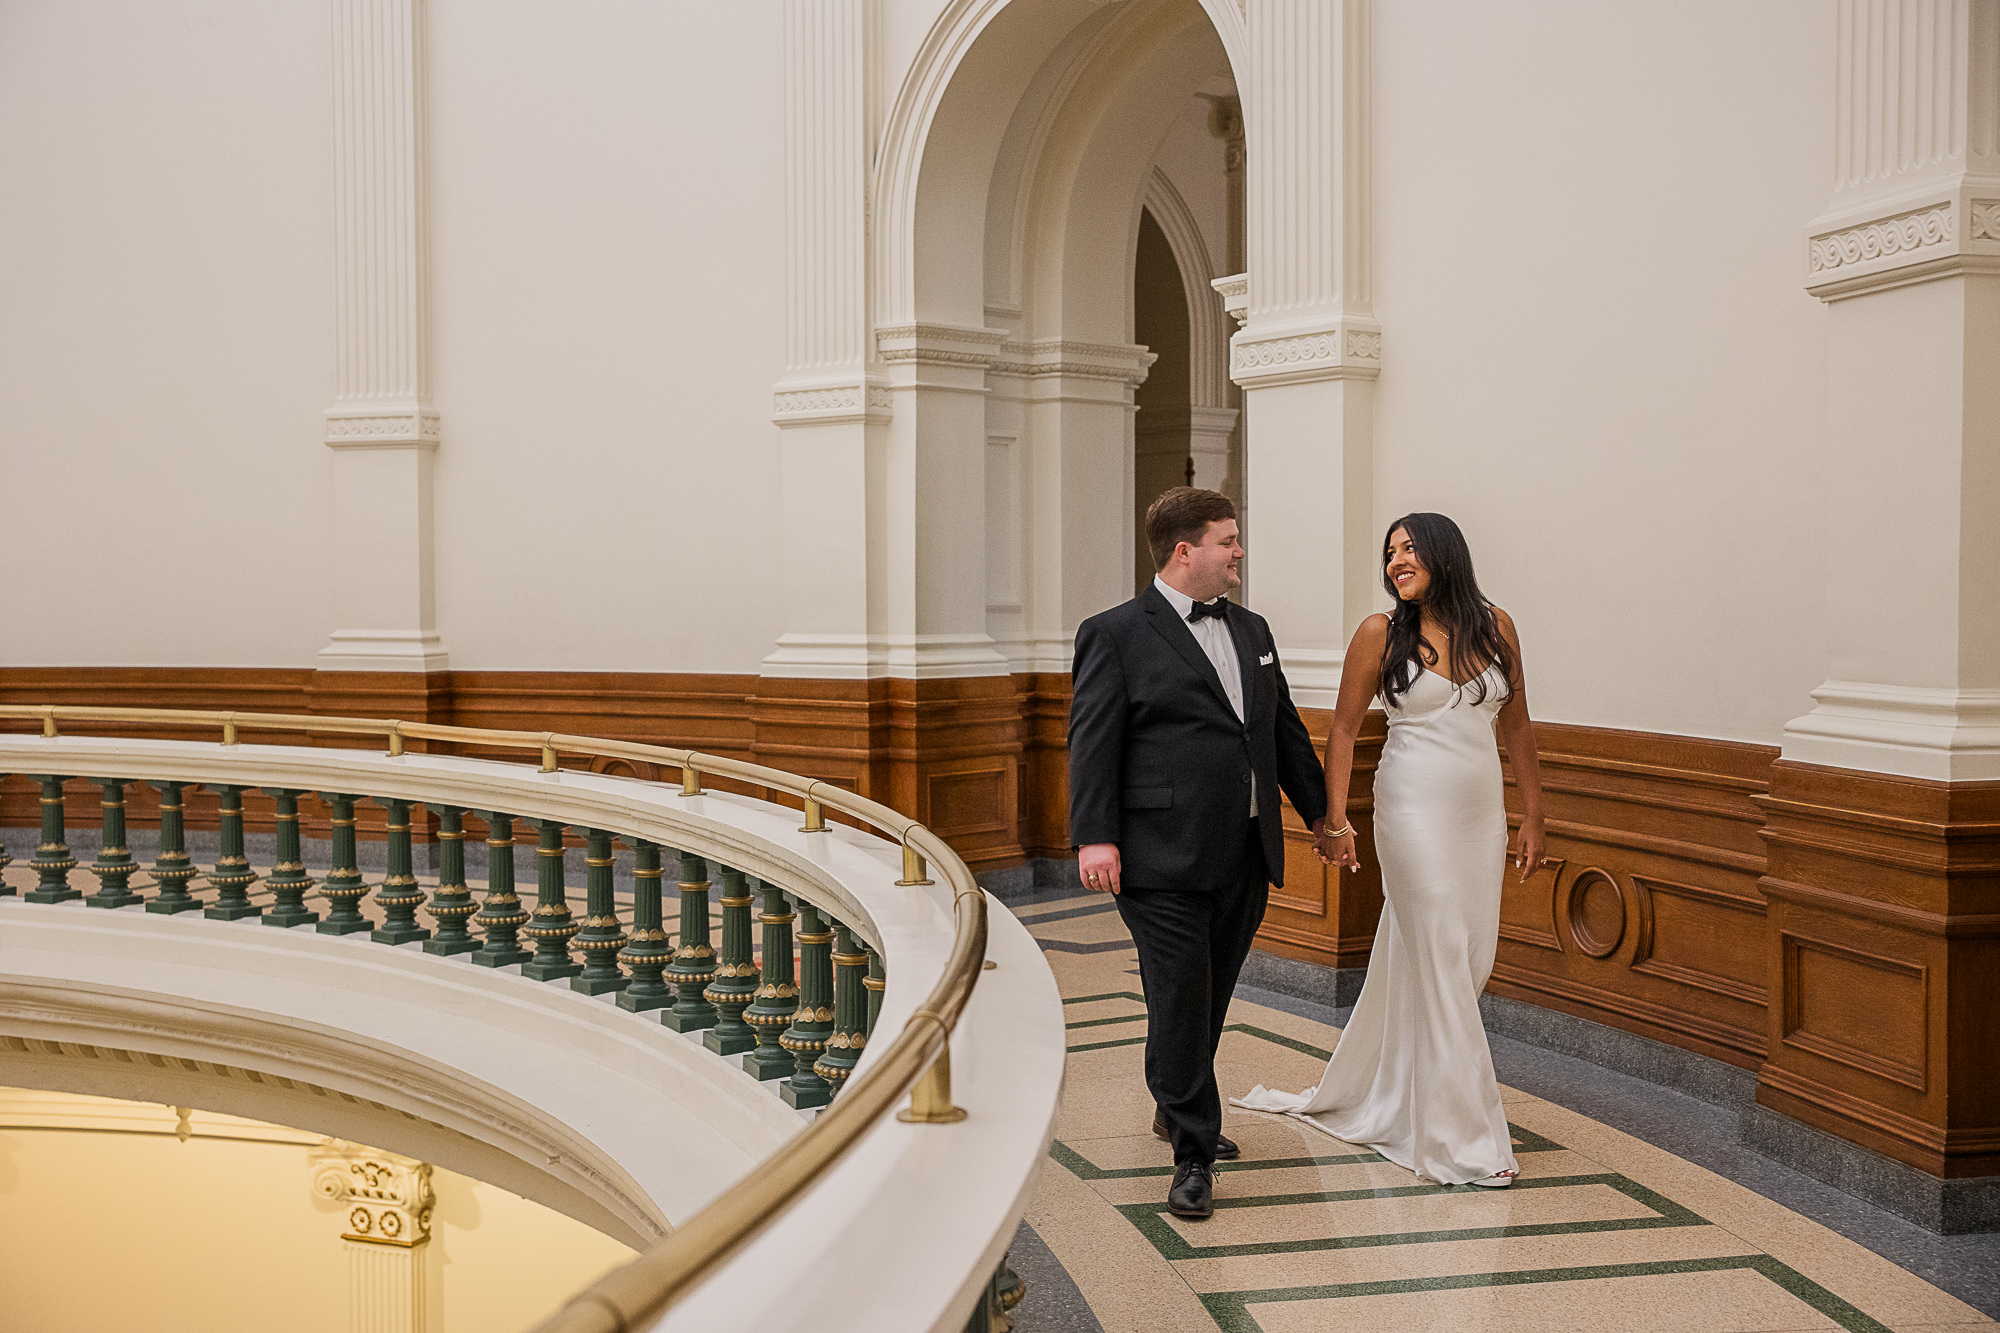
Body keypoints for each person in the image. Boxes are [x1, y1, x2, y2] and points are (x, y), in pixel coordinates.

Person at [1234, 511, 1546, 1187]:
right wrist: (1337, 819)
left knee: (1467, 960)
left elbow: (1517, 726)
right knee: (1437, 946)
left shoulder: (1499, 627)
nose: (1395, 560)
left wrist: (1534, 815)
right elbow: (1343, 730)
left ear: (1445, 553)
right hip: (1411, 814)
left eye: (1408, 549)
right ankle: (1466, 1140)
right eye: (1389, 553)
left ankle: (1410, 1096)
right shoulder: (1380, 633)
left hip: (1479, 816)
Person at [1068, 486, 1329, 1220]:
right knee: (1182, 997)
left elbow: (1280, 734)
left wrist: (1320, 817)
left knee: (1208, 995)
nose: (1238, 551)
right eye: (1227, 539)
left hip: (1243, 850)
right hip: (1157, 858)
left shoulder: (1253, 630)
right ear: (1186, 552)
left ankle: (1173, 1101)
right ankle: (1192, 1153)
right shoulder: (1115, 632)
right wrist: (1096, 834)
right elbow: (1093, 740)